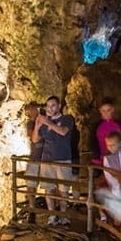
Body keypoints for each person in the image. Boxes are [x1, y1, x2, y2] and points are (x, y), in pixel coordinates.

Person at [34, 95, 76, 226]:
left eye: (53, 105)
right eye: (48, 106)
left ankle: (63, 215)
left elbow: (63, 132)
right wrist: (37, 125)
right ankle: (52, 215)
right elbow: (35, 139)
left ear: (59, 106)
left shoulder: (67, 119)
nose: (50, 108)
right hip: (47, 160)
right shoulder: (45, 123)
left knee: (64, 189)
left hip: (63, 159)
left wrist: (47, 122)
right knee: (48, 188)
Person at [23, 101, 45, 221]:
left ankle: (55, 213)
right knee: (31, 185)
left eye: (32, 110)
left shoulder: (46, 121)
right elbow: (33, 137)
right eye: (28, 111)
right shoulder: (30, 124)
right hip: (35, 158)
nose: (30, 113)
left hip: (47, 159)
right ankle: (32, 211)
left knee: (51, 185)